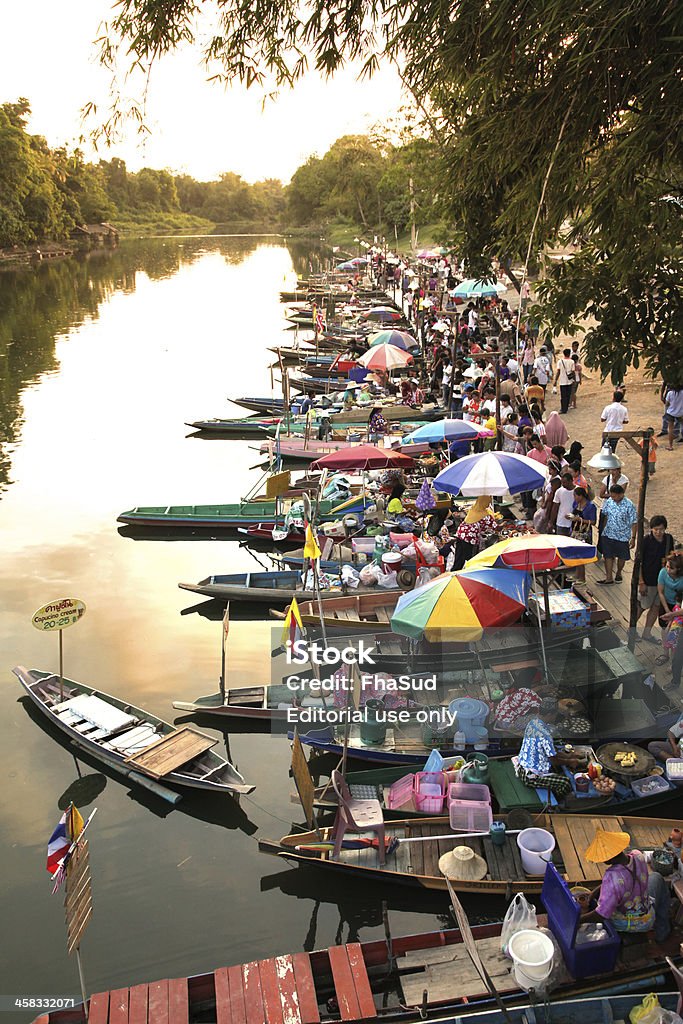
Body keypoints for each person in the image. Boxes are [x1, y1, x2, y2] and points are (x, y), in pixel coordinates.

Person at [581, 830, 671, 944]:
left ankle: (637, 934)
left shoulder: (611, 878)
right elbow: (623, 879)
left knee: (655, 878)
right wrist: (593, 893)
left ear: (608, 859)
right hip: (647, 912)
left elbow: (601, 914)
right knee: (656, 877)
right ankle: (663, 930)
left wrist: (579, 920)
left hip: (627, 922)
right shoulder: (638, 855)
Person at [516, 708, 575, 797]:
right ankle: (557, 800)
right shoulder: (545, 735)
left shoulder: (533, 722)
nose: (555, 717)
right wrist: (571, 761)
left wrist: (570, 756)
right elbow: (554, 760)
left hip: (523, 765)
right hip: (530, 775)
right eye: (555, 715)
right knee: (565, 783)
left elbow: (553, 752)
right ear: (549, 714)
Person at [638, 516, 676, 643]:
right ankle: (631, 630)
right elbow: (639, 563)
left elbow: (671, 557)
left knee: (655, 607)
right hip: (648, 580)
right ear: (651, 529)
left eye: (661, 529)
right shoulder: (646, 541)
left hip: (663, 580)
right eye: (656, 529)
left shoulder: (669, 539)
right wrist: (641, 581)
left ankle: (647, 633)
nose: (659, 532)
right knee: (642, 605)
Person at [597, 484, 638, 585]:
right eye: (612, 496)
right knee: (608, 555)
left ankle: (619, 572)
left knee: (621, 557)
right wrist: (603, 530)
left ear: (621, 494)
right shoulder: (610, 501)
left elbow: (634, 522)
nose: (613, 498)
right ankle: (609, 577)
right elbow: (606, 515)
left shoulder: (629, 505)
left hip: (622, 536)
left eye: (615, 496)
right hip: (608, 533)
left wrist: (633, 538)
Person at [452, 496, 497, 570]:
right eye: (487, 502)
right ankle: (469, 571)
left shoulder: (473, 509)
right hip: (469, 537)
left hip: (460, 533)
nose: (488, 504)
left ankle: (455, 570)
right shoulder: (485, 515)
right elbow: (493, 527)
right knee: (470, 556)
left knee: (459, 555)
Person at [656, 554, 683, 664]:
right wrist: (667, 610)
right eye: (667, 566)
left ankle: (675, 659)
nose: (668, 570)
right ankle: (665, 653)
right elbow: (660, 592)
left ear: (679, 569)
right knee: (664, 628)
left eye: (671, 568)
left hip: (679, 605)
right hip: (666, 602)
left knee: (676, 632)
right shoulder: (663, 573)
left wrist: (673, 614)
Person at [569, 487, 597, 581]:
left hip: (584, 533)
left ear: (581, 496)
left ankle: (582, 578)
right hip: (575, 531)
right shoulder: (576, 504)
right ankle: (577, 574)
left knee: (581, 556)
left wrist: (580, 520)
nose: (574, 497)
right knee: (576, 555)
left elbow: (593, 522)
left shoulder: (590, 506)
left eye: (575, 495)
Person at [553, 348, 576, 414]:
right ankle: (566, 407)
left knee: (563, 396)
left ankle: (563, 409)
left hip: (562, 381)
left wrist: (555, 380)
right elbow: (573, 372)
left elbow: (558, 371)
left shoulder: (560, 362)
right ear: (569, 354)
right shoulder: (572, 361)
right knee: (568, 395)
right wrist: (573, 380)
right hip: (569, 381)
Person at [663, 386, 683, 450]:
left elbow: (666, 404)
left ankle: (670, 446)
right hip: (681, 413)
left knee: (670, 430)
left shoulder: (670, 393)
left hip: (671, 413)